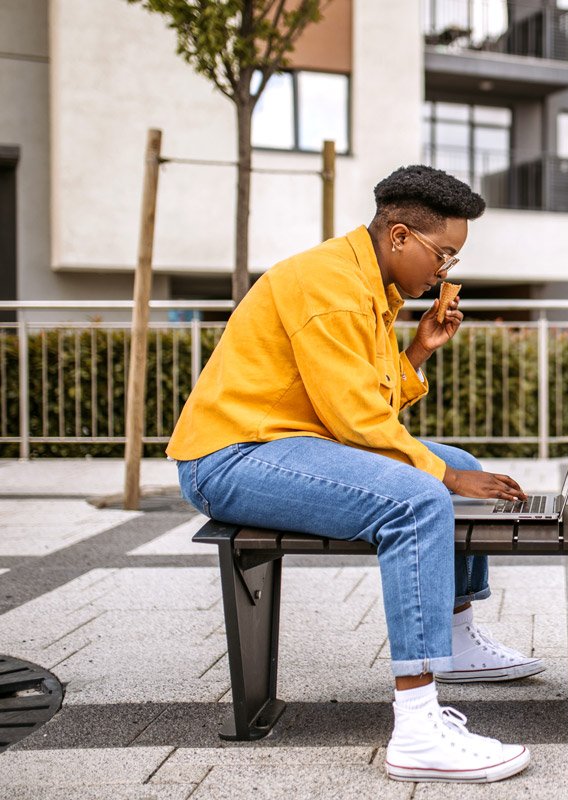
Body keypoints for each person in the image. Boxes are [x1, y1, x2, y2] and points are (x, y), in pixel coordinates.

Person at [168, 165, 540, 784]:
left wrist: (418, 350)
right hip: (231, 456)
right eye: (442, 253)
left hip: (288, 442)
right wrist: (442, 478)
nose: (445, 271)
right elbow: (357, 420)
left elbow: (366, 401)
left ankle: (457, 636)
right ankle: (418, 726)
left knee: (462, 466)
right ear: (399, 236)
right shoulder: (332, 288)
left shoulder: (369, 283)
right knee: (419, 499)